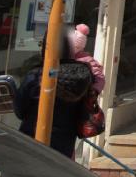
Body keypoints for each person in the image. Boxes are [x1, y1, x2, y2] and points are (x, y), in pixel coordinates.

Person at [15, 25, 95, 159]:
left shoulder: (36, 75)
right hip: (65, 143)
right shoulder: (84, 74)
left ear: (46, 47)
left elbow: (20, 110)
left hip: (32, 140)